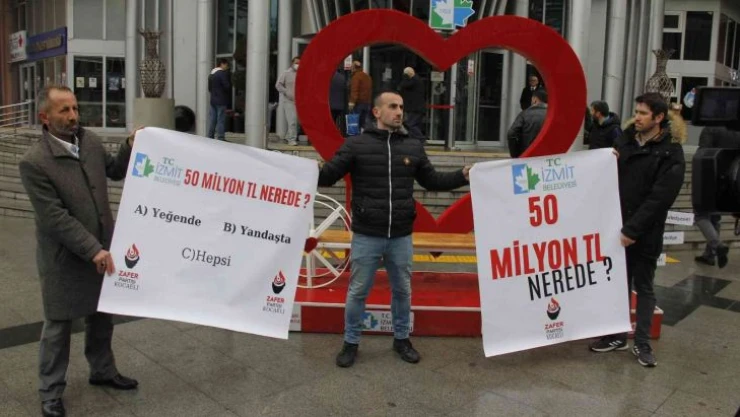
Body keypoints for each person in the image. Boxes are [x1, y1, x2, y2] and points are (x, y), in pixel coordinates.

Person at [318, 90, 471, 368]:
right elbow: (328, 176)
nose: (399, 111)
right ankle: (351, 342)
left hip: (400, 236)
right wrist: (303, 170)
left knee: (402, 291)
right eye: (392, 106)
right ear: (377, 112)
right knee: (358, 292)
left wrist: (462, 176)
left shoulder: (413, 146)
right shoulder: (356, 145)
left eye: (401, 107)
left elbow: (433, 181)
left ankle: (402, 339)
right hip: (367, 234)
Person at [18, 86, 141, 417]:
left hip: (102, 251)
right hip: (65, 259)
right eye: (64, 110)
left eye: (74, 108)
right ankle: (50, 392)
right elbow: (54, 217)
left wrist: (130, 145)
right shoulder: (34, 162)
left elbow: (115, 170)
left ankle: (102, 370)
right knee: (58, 327)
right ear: (45, 117)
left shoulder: (90, 142)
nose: (73, 116)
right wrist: (92, 249)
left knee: (101, 318)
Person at [589, 92, 686, 368]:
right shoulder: (625, 140)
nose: (638, 117)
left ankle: (642, 343)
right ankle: (617, 336)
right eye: (637, 112)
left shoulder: (671, 152)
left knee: (643, 286)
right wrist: (608, 161)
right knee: (619, 283)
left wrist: (633, 230)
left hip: (644, 232)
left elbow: (660, 198)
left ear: (659, 117)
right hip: (618, 228)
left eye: (644, 113)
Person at [694, 126, 740, 268]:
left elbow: (702, 153)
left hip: (710, 177)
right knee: (715, 217)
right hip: (730, 179)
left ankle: (717, 246)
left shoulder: (711, 128)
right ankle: (709, 254)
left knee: (701, 215)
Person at [507, 89, 548, 158]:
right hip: (547, 157)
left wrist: (515, 154)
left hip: (527, 155)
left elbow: (511, 134)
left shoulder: (524, 114)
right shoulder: (551, 115)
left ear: (535, 99)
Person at [276, 56, 300, 146]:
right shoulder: (286, 73)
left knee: (297, 121)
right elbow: (278, 85)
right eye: (296, 63)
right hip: (289, 101)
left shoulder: (302, 73)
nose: (298, 65)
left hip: (299, 102)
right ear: (292, 63)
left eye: (299, 63)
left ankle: (288, 136)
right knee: (292, 121)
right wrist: (286, 92)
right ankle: (291, 139)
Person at [397, 67, 426, 138]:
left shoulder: (414, 80)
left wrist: (405, 77)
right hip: (416, 107)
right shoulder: (417, 80)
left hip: (415, 107)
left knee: (410, 124)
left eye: (405, 74)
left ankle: (420, 138)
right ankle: (416, 138)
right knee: (413, 124)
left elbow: (402, 85)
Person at [207, 58, 231, 141]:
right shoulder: (222, 73)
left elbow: (209, 88)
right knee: (221, 119)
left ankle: (210, 136)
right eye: (226, 65)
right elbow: (227, 86)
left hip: (213, 100)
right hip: (221, 100)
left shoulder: (211, 74)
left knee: (213, 119)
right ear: (222, 64)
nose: (227, 67)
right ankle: (221, 137)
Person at [348, 60, 373, 130]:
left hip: (358, 103)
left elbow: (354, 90)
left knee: (355, 124)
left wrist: (352, 102)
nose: (351, 68)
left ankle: (356, 135)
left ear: (354, 68)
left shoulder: (356, 77)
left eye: (351, 67)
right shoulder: (368, 77)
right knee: (364, 124)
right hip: (367, 103)